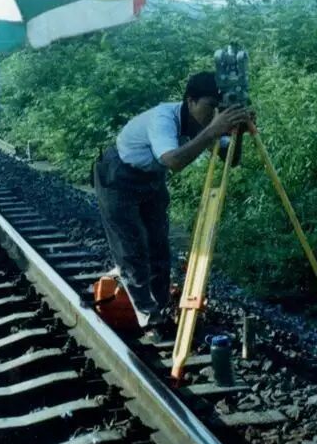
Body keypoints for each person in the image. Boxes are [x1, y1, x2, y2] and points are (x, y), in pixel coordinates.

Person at [94, 72, 250, 340]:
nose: (214, 113)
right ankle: (148, 318)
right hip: (118, 174)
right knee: (131, 249)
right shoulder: (163, 119)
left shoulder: (205, 122)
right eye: (210, 106)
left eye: (220, 108)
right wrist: (213, 131)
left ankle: (162, 308)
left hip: (151, 178)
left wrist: (240, 132)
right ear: (191, 101)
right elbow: (173, 161)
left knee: (159, 247)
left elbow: (231, 160)